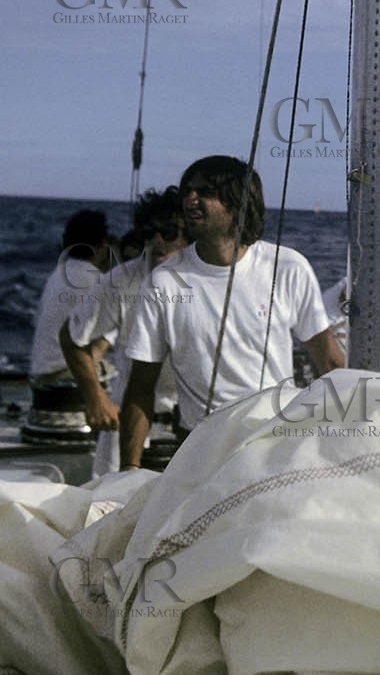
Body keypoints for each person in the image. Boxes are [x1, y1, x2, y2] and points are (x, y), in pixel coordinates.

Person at [120, 155, 343, 466]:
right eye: (188, 191)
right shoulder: (163, 282)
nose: (190, 200)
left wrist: (350, 442)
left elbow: (329, 361)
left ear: (238, 203)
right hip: (199, 450)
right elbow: (140, 389)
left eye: (205, 192)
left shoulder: (289, 268)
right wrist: (128, 471)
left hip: (275, 444)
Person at [60, 186, 186, 476]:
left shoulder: (205, 282)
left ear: (188, 236)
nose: (157, 241)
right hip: (124, 431)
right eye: (148, 233)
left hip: (186, 431)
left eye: (169, 232)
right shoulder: (121, 280)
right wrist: (95, 397)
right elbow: (71, 337)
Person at [29, 208, 112, 385]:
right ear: (103, 244)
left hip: (40, 375)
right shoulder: (99, 280)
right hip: (68, 377)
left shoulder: (56, 275)